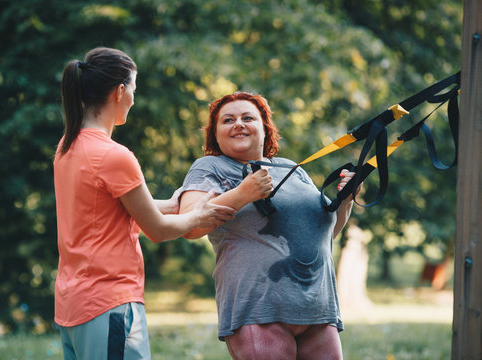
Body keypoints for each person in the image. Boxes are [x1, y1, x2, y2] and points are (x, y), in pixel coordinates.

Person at [53, 48, 270, 360]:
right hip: (109, 301)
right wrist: (199, 215)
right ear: (120, 91)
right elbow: (157, 230)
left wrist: (172, 203)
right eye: (134, 92)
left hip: (73, 301)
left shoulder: (68, 146)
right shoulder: (115, 156)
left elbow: (106, 208)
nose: (133, 100)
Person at [179, 91, 361, 359]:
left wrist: (345, 202)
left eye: (247, 117)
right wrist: (243, 194)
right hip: (258, 309)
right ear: (215, 134)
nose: (238, 123)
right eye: (228, 120)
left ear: (264, 129)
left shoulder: (292, 168)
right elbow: (189, 225)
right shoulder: (210, 167)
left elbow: (324, 234)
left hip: (317, 308)